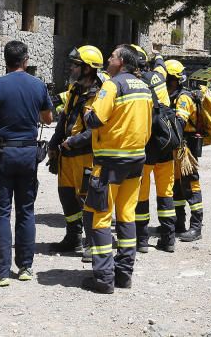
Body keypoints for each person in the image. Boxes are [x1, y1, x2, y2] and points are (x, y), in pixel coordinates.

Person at [0, 40, 53, 287]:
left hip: (2, 155)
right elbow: (48, 118)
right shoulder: (38, 85)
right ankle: (26, 267)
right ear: (26, 60)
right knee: (26, 211)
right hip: (28, 154)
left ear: (5, 60)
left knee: (1, 213)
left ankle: (0, 270)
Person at [80, 45, 152, 294]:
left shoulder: (112, 85)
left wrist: (86, 110)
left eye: (111, 56)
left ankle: (103, 278)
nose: (108, 60)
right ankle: (124, 275)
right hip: (135, 160)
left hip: (110, 161)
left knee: (101, 216)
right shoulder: (144, 87)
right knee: (126, 215)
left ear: (121, 61)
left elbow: (94, 120)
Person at [47, 45, 105, 256]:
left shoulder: (101, 94)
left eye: (76, 65)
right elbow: (64, 118)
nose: (71, 68)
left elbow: (97, 129)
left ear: (88, 69)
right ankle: (73, 238)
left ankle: (92, 243)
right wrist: (54, 143)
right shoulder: (75, 89)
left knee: (88, 201)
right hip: (66, 155)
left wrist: (74, 141)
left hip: (85, 156)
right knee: (67, 197)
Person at [131, 46, 176, 253]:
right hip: (165, 141)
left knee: (142, 192)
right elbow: (161, 65)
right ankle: (168, 240)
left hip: (147, 143)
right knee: (165, 191)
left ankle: (141, 240)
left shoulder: (135, 83)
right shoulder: (158, 76)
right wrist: (157, 54)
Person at [168, 60, 204, 242]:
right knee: (176, 186)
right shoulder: (172, 95)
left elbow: (179, 123)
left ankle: (196, 227)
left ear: (173, 79)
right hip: (177, 147)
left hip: (186, 147)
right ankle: (178, 223)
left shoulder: (183, 98)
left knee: (190, 184)